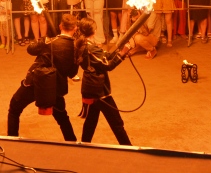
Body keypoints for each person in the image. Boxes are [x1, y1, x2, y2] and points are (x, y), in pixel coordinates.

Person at [7, 14, 79, 141]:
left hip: (36, 83)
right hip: (56, 87)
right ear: (75, 28)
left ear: (60, 26)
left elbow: (30, 49)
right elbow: (72, 73)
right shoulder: (76, 48)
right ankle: (72, 142)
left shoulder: (48, 42)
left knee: (14, 108)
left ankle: (12, 140)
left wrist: (43, 39)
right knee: (62, 118)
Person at [74, 17, 132, 145]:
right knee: (117, 123)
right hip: (99, 90)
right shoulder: (91, 48)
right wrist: (122, 54)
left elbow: (105, 57)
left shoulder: (85, 45)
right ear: (93, 31)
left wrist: (119, 50)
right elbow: (108, 66)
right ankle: (128, 148)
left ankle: (84, 145)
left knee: (91, 121)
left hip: (91, 89)